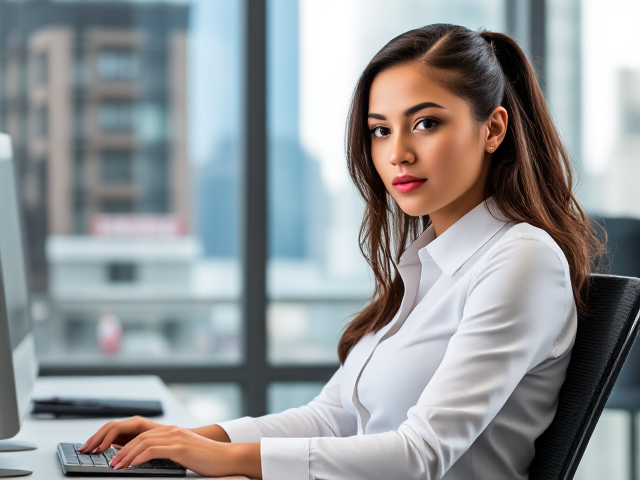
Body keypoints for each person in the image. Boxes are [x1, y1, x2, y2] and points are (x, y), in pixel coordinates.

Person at [78, 24, 606, 479]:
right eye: (380, 130)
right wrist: (194, 438)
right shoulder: (432, 264)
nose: (397, 152)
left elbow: (420, 455)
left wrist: (228, 458)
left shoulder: (522, 260)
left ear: (492, 128)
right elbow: (332, 417)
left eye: (426, 123)